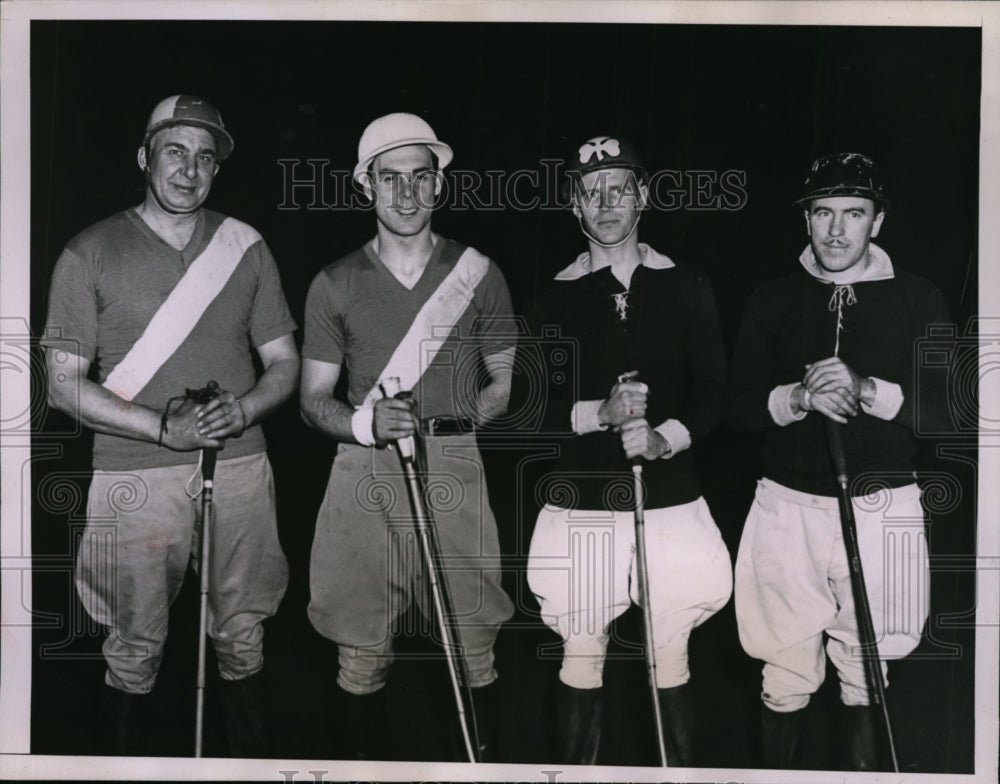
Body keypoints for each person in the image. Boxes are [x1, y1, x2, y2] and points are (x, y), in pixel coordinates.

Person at [42, 94, 299, 757]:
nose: (190, 170)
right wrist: (162, 428)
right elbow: (61, 382)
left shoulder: (245, 246)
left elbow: (283, 362)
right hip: (134, 474)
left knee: (243, 637)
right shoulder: (89, 250)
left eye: (206, 157)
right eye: (175, 152)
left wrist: (244, 409)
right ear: (145, 157)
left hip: (240, 466)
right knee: (133, 642)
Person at [300, 112, 516, 761]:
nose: (405, 193)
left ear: (438, 185)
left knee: (475, 646)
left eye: (419, 177)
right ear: (366, 185)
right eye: (389, 178)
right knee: (361, 652)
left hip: (453, 466)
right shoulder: (333, 282)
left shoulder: (479, 272)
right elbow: (313, 400)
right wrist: (366, 422)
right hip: (363, 467)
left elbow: (504, 380)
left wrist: (471, 415)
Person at [725, 152, 951, 770]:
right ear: (805, 219)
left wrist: (867, 388)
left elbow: (950, 410)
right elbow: (734, 405)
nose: (835, 229)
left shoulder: (918, 297)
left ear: (877, 222)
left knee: (867, 666)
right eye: (822, 211)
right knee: (784, 669)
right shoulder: (772, 298)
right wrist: (797, 397)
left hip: (884, 505)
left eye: (854, 214)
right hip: (786, 505)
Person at [525, 136, 733, 766]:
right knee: (582, 648)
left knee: (669, 646)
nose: (607, 202)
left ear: (642, 196)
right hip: (582, 501)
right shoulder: (547, 299)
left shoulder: (688, 284)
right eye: (592, 191)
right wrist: (600, 415)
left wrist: (668, 436)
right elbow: (525, 413)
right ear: (574, 205)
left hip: (669, 498)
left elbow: (719, 393)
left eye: (620, 187)